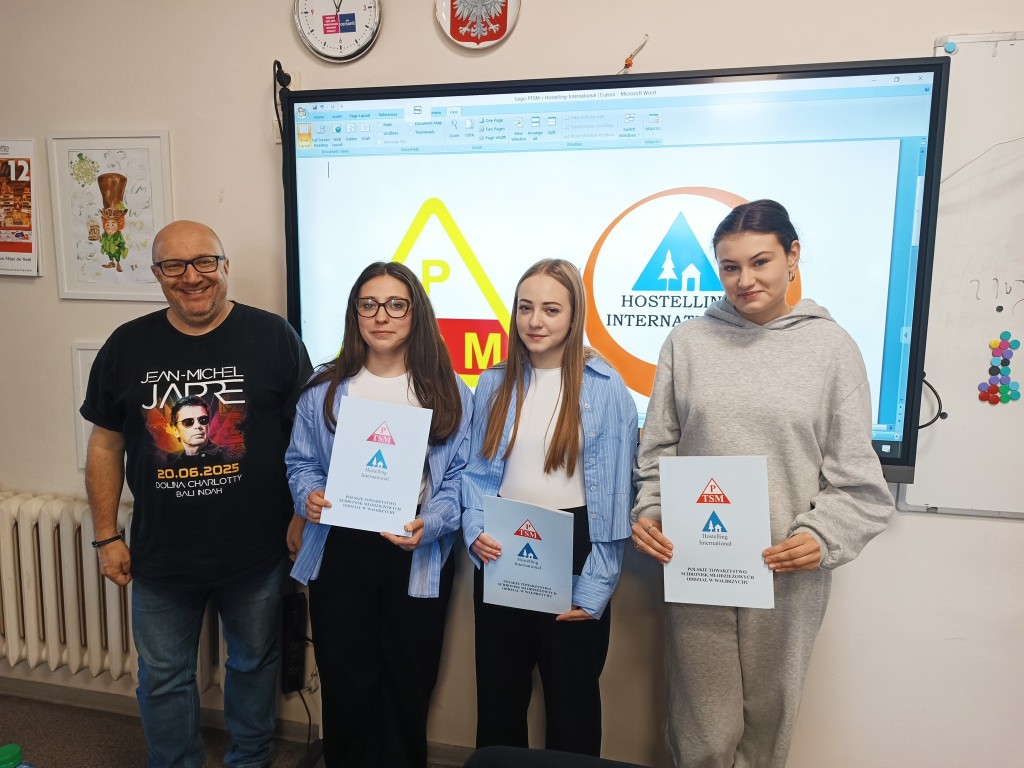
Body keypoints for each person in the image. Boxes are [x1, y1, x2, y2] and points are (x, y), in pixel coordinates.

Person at [630, 199, 895, 768]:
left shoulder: (833, 350)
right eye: (730, 267)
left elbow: (859, 483)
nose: (744, 280)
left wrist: (823, 537)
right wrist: (650, 510)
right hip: (699, 564)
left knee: (767, 734)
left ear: (793, 256)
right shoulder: (686, 343)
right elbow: (658, 450)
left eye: (760, 262)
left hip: (786, 575)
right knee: (702, 735)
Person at [81, 220, 312, 768]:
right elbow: (106, 446)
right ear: (156, 274)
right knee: (163, 678)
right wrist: (106, 536)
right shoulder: (126, 345)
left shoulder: (274, 336)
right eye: (174, 266)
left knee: (254, 665)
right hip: (161, 555)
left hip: (257, 552)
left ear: (225, 266)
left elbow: (308, 438)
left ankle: (249, 760)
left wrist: (303, 515)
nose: (191, 277)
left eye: (204, 262)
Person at [285, 261, 473, 768]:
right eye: (368, 305)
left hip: (415, 547)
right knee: (345, 677)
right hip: (341, 546)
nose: (381, 316)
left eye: (395, 305)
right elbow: (300, 462)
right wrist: (309, 495)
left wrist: (431, 523)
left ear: (416, 313)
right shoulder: (324, 388)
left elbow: (460, 478)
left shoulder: (448, 391)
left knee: (408, 680)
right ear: (355, 314)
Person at [462, 259, 637, 756]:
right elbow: (476, 474)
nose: (535, 321)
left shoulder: (605, 386)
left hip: (578, 547)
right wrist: (475, 528)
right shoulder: (493, 382)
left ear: (574, 315)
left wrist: (598, 580)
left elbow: (616, 494)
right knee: (499, 696)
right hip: (501, 544)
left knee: (572, 700)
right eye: (525, 308)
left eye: (551, 309)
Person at [167, 394, 226, 465]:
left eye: (203, 420)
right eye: (188, 422)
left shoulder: (227, 456)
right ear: (176, 430)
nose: (198, 426)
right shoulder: (172, 464)